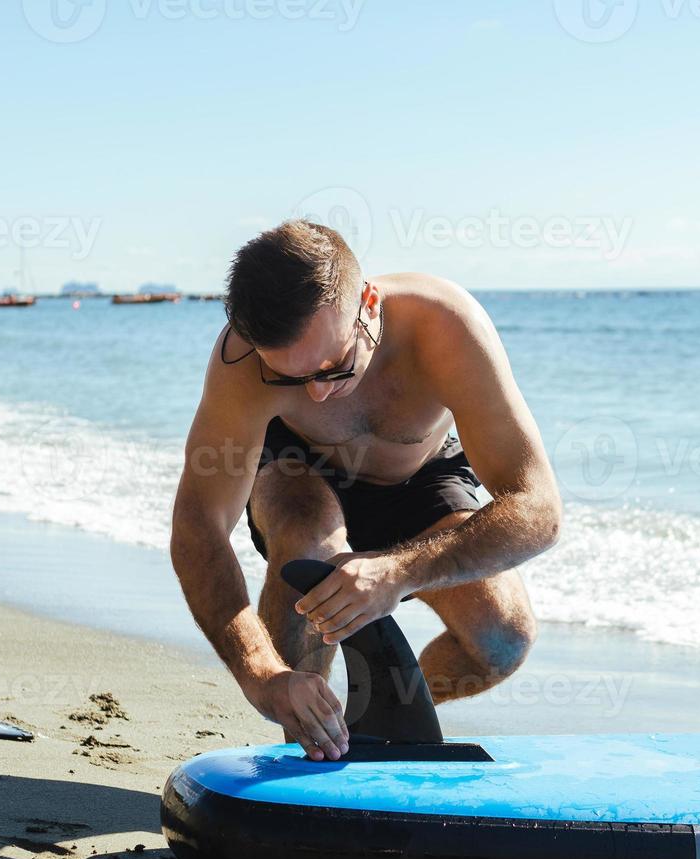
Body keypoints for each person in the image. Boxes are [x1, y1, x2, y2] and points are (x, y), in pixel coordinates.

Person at [170, 220, 562, 761]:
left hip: (422, 475)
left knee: (502, 639)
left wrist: (399, 573)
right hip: (298, 471)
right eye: (290, 379)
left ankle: (374, 714)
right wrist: (263, 677)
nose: (319, 394)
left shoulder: (447, 326)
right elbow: (199, 526)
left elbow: (539, 509)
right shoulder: (242, 364)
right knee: (309, 540)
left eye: (336, 367)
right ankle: (307, 739)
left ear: (369, 304)